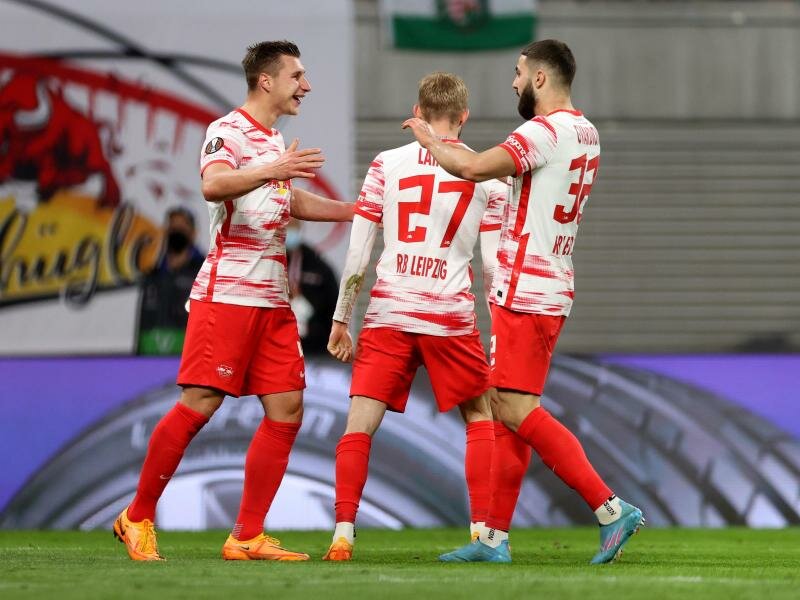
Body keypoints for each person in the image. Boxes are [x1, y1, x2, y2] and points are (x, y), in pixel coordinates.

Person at [403, 39, 644, 565]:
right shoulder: (586, 132)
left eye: (517, 73)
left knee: (513, 407)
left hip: (526, 288)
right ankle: (493, 538)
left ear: (539, 78)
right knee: (507, 406)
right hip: (552, 282)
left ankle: (609, 508)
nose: (512, 82)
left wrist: (428, 138)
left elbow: (471, 169)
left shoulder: (542, 131)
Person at [113, 40, 353, 562]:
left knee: (287, 409)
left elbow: (291, 201)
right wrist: (272, 170)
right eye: (297, 76)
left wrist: (355, 210)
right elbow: (214, 185)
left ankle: (245, 534)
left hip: (270, 301)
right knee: (200, 404)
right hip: (228, 295)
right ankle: (136, 516)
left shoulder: (272, 141)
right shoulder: (227, 131)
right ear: (266, 81)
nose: (305, 85)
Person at [323, 72, 507, 561]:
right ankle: (480, 532)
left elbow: (359, 249)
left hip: (388, 312)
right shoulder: (487, 173)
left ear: (417, 110)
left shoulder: (386, 163)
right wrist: (500, 331)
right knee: (480, 416)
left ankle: (342, 532)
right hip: (450, 317)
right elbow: (492, 266)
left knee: (359, 423)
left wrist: (342, 318)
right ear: (464, 117)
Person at [137, 207, 205, 355]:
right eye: (172, 227)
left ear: (193, 233)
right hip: (150, 356)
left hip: (187, 356)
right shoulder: (152, 273)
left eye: (182, 227)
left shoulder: (204, 272)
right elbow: (142, 323)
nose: (176, 231)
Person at [285, 218, 340, 355]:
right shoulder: (268, 260)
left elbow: (333, 305)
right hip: (280, 343)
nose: (289, 232)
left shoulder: (316, 263)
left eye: (293, 227)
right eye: (286, 226)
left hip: (315, 347)